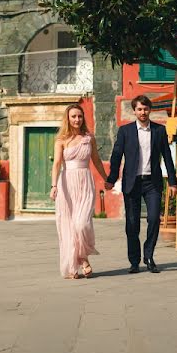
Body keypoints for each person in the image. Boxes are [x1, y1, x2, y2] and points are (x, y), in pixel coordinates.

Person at [106, 95, 177, 274]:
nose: (143, 112)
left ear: (149, 110)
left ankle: (149, 256)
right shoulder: (125, 131)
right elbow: (116, 156)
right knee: (132, 223)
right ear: (134, 111)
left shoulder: (159, 131)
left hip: (152, 183)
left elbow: (167, 157)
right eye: (139, 109)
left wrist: (173, 182)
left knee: (154, 219)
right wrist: (111, 179)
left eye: (145, 109)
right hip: (132, 182)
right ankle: (134, 261)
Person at [50, 103, 109, 279]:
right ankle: (80, 262)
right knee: (68, 225)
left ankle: (82, 256)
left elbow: (97, 161)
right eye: (74, 116)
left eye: (80, 116)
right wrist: (54, 186)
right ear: (67, 119)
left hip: (85, 183)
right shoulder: (61, 140)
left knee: (81, 223)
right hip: (67, 184)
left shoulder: (89, 138)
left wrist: (107, 179)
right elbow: (57, 164)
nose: (77, 119)